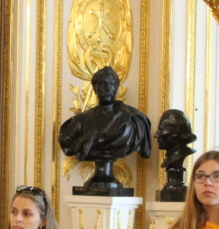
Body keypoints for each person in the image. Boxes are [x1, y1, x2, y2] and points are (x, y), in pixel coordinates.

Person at [57, 65, 151, 193]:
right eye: (102, 84)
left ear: (116, 87)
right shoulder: (79, 121)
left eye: (111, 84)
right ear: (94, 88)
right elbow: (68, 144)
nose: (107, 88)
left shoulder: (134, 120)